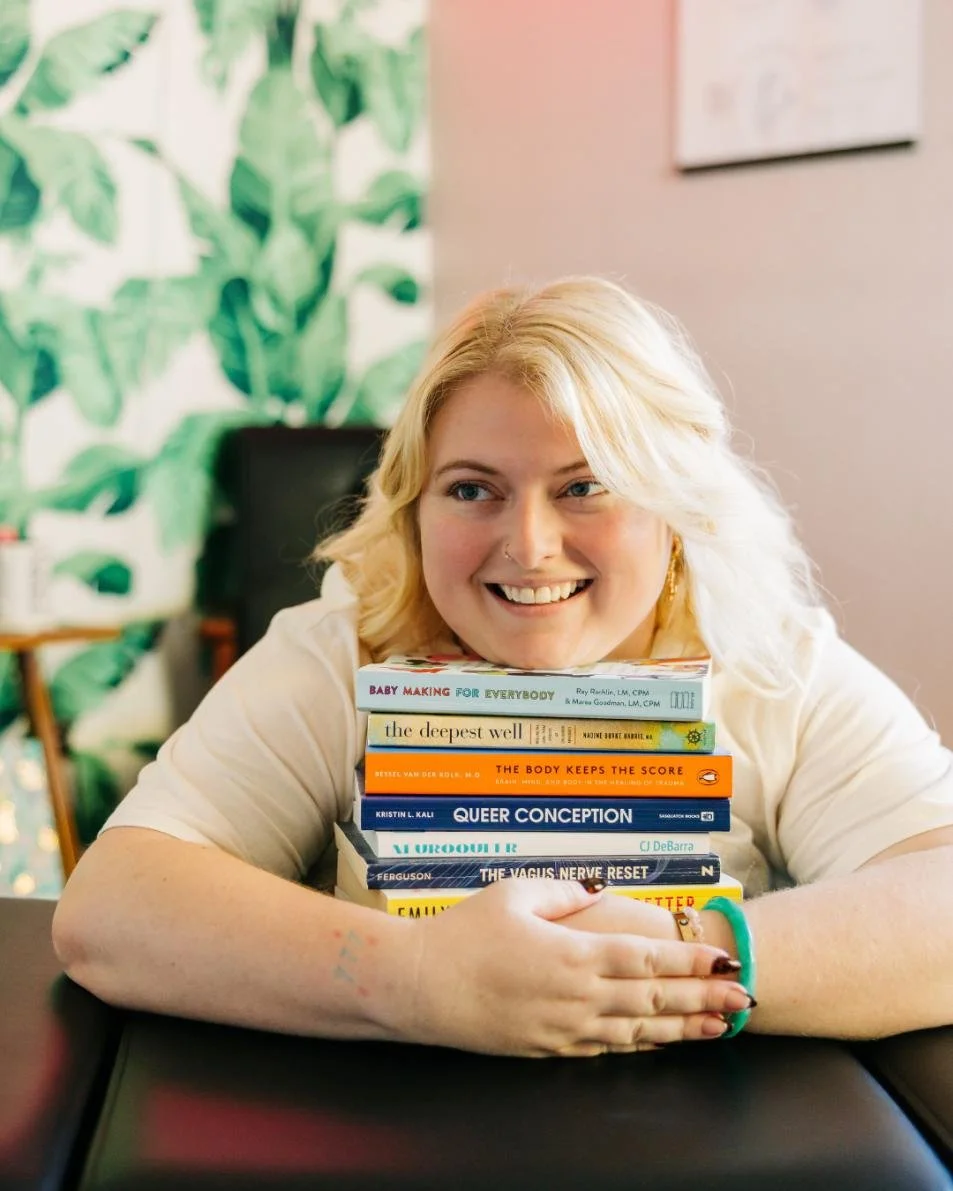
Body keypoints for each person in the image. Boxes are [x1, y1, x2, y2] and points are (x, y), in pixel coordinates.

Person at [52, 276, 953, 1056]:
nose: (527, 544)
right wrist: (418, 975)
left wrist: (670, 948)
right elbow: (111, 907)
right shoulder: (337, 651)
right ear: (414, 509)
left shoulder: (774, 663)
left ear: (674, 507)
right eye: (472, 489)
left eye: (585, 486)